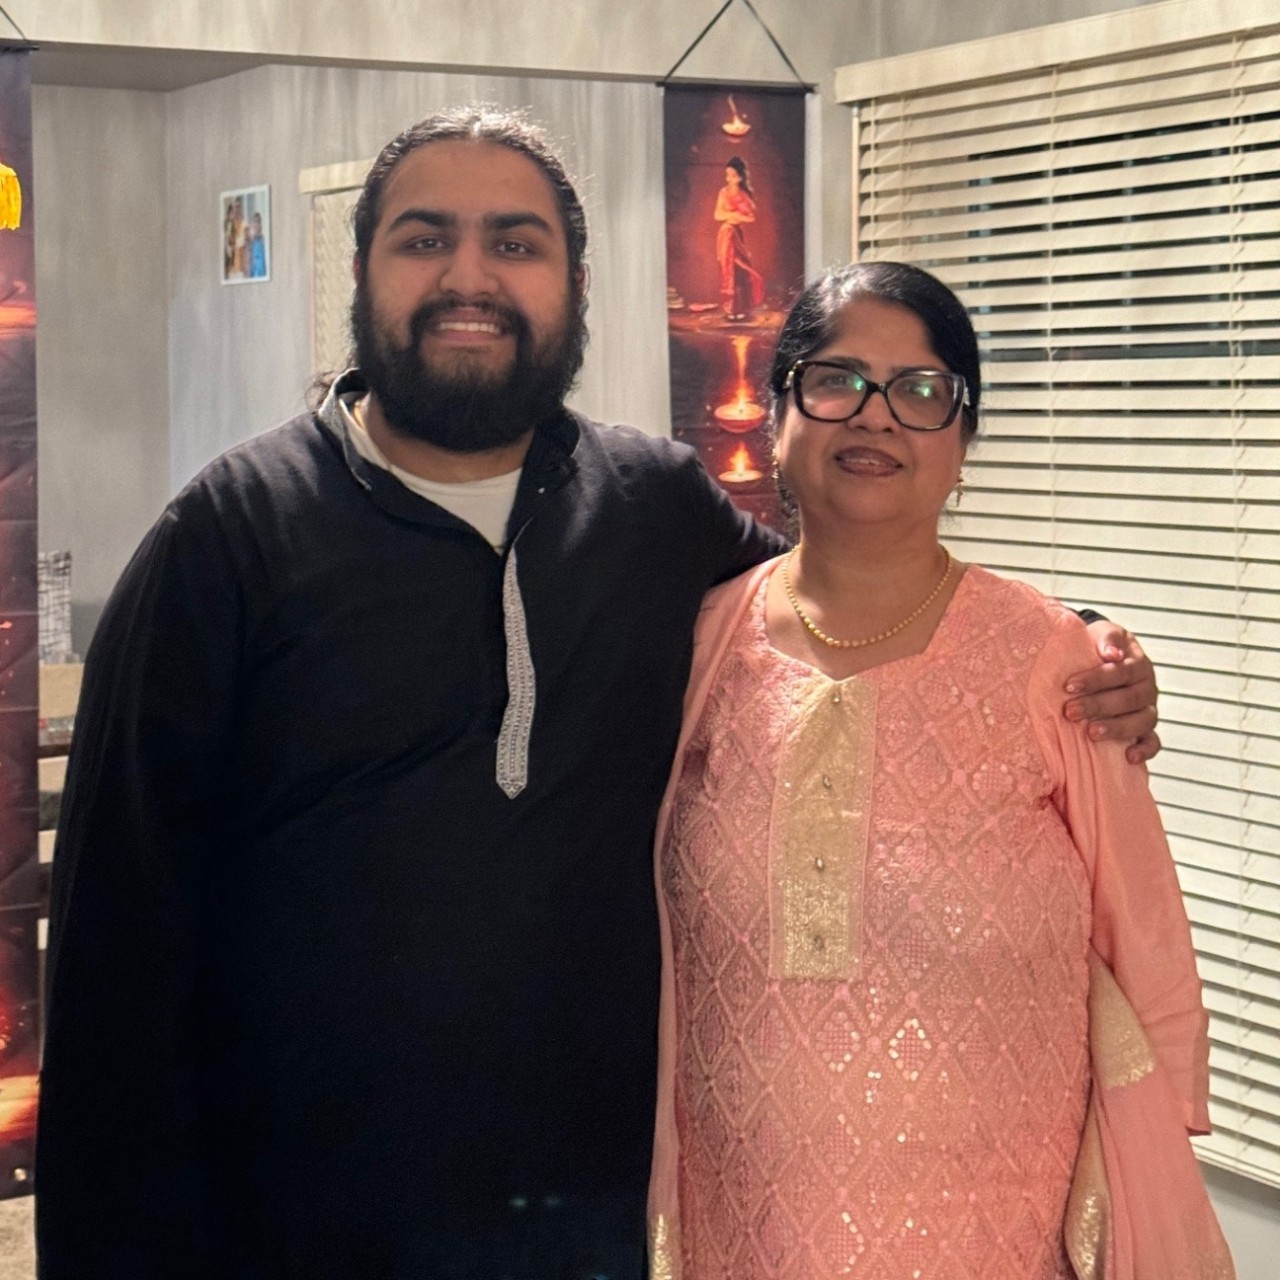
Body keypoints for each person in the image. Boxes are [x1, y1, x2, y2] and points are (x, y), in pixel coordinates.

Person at [37, 109, 1159, 1280]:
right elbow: (118, 965)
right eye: (424, 239)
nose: (468, 276)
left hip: (604, 1220)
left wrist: (1071, 637)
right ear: (361, 273)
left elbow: (834, 591)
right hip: (300, 1225)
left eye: (514, 244)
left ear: (573, 286)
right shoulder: (228, 541)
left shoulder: (647, 503)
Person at [646, 262, 1232, 1279]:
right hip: (738, 1222)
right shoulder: (695, 647)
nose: (875, 417)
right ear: (778, 416)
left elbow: (1142, 940)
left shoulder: (1059, 664)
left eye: (921, 392)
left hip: (994, 1227)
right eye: (835, 381)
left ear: (961, 444)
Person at [714, 155, 764, 321]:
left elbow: (751, 217)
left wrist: (736, 217)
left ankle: (741, 308)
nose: (729, 178)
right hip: (725, 234)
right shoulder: (723, 192)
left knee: (740, 271)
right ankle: (730, 309)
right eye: (727, 175)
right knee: (728, 271)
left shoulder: (743, 195)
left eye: (733, 175)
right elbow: (717, 214)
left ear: (741, 177)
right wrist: (732, 214)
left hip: (737, 234)